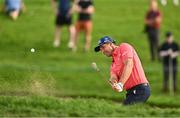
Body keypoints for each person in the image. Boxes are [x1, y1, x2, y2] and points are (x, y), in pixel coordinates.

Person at [94, 36, 150, 105]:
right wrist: (114, 83)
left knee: (125, 111)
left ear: (111, 44)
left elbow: (129, 64)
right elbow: (113, 77)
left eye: (103, 47)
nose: (102, 51)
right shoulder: (113, 64)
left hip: (140, 89)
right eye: (100, 49)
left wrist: (120, 84)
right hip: (130, 92)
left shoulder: (124, 47)